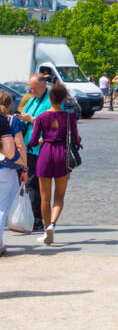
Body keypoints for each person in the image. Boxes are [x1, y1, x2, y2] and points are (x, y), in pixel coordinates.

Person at [28, 83, 81, 245]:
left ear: (50, 98)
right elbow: (76, 140)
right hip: (62, 156)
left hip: (45, 155)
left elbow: (32, 143)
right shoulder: (69, 117)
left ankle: (46, 231)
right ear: (63, 98)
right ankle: (52, 225)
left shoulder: (42, 117)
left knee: (45, 197)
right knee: (59, 196)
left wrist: (42, 140)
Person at [18, 74, 52, 231]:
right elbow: (24, 115)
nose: (32, 91)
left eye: (34, 88)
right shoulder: (32, 99)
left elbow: (53, 122)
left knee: (34, 184)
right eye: (30, 89)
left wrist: (31, 119)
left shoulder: (51, 100)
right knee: (29, 183)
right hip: (26, 147)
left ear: (43, 85)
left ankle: (36, 219)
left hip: (40, 149)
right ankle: (33, 217)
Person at [0, 90, 27, 255]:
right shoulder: (9, 120)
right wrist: (24, 167)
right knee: (3, 207)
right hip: (5, 168)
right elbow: (18, 147)